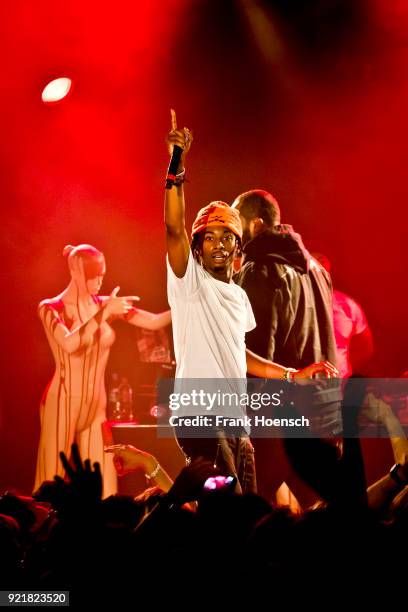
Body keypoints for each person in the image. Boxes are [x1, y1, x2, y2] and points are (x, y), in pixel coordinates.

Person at [164, 111, 337, 494]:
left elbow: (239, 354)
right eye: (209, 237)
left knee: (246, 519)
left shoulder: (238, 294)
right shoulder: (188, 282)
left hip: (236, 421)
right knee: (226, 518)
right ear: (197, 247)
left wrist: (294, 374)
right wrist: (176, 162)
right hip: (201, 417)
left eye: (227, 236)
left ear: (239, 244)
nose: (219, 244)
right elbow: (173, 227)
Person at [34, 243, 171, 497]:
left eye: (102, 275)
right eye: (93, 276)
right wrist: (104, 313)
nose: (99, 282)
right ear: (75, 272)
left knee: (107, 486)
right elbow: (70, 342)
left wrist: (191, 308)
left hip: (96, 408)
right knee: (49, 483)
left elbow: (152, 322)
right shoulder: (52, 308)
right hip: (62, 403)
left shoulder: (106, 304)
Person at [231, 190, 340, 506]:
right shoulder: (316, 270)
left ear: (256, 223)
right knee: (326, 518)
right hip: (321, 412)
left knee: (254, 517)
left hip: (278, 419)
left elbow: (254, 347)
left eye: (237, 224)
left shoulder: (261, 268)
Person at [311, 252, 373, 378]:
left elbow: (365, 348)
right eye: (312, 259)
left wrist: (343, 371)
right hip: (298, 389)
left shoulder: (347, 305)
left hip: (338, 388)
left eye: (321, 260)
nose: (317, 264)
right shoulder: (286, 303)